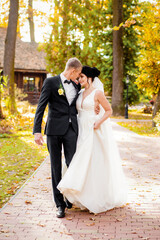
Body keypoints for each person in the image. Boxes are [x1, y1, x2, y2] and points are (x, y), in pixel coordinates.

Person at [58, 66, 128, 214]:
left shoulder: (98, 93)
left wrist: (99, 121)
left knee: (91, 162)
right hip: (80, 129)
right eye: (79, 77)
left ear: (89, 78)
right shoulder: (80, 92)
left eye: (82, 77)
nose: (79, 79)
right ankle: (78, 195)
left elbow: (109, 110)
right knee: (79, 160)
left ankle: (93, 197)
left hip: (93, 129)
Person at [33, 57, 82, 218]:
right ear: (73, 70)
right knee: (55, 166)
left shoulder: (76, 85)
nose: (78, 77)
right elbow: (41, 105)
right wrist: (37, 131)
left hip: (71, 130)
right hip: (53, 130)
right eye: (78, 73)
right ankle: (60, 204)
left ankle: (69, 197)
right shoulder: (51, 82)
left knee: (71, 164)